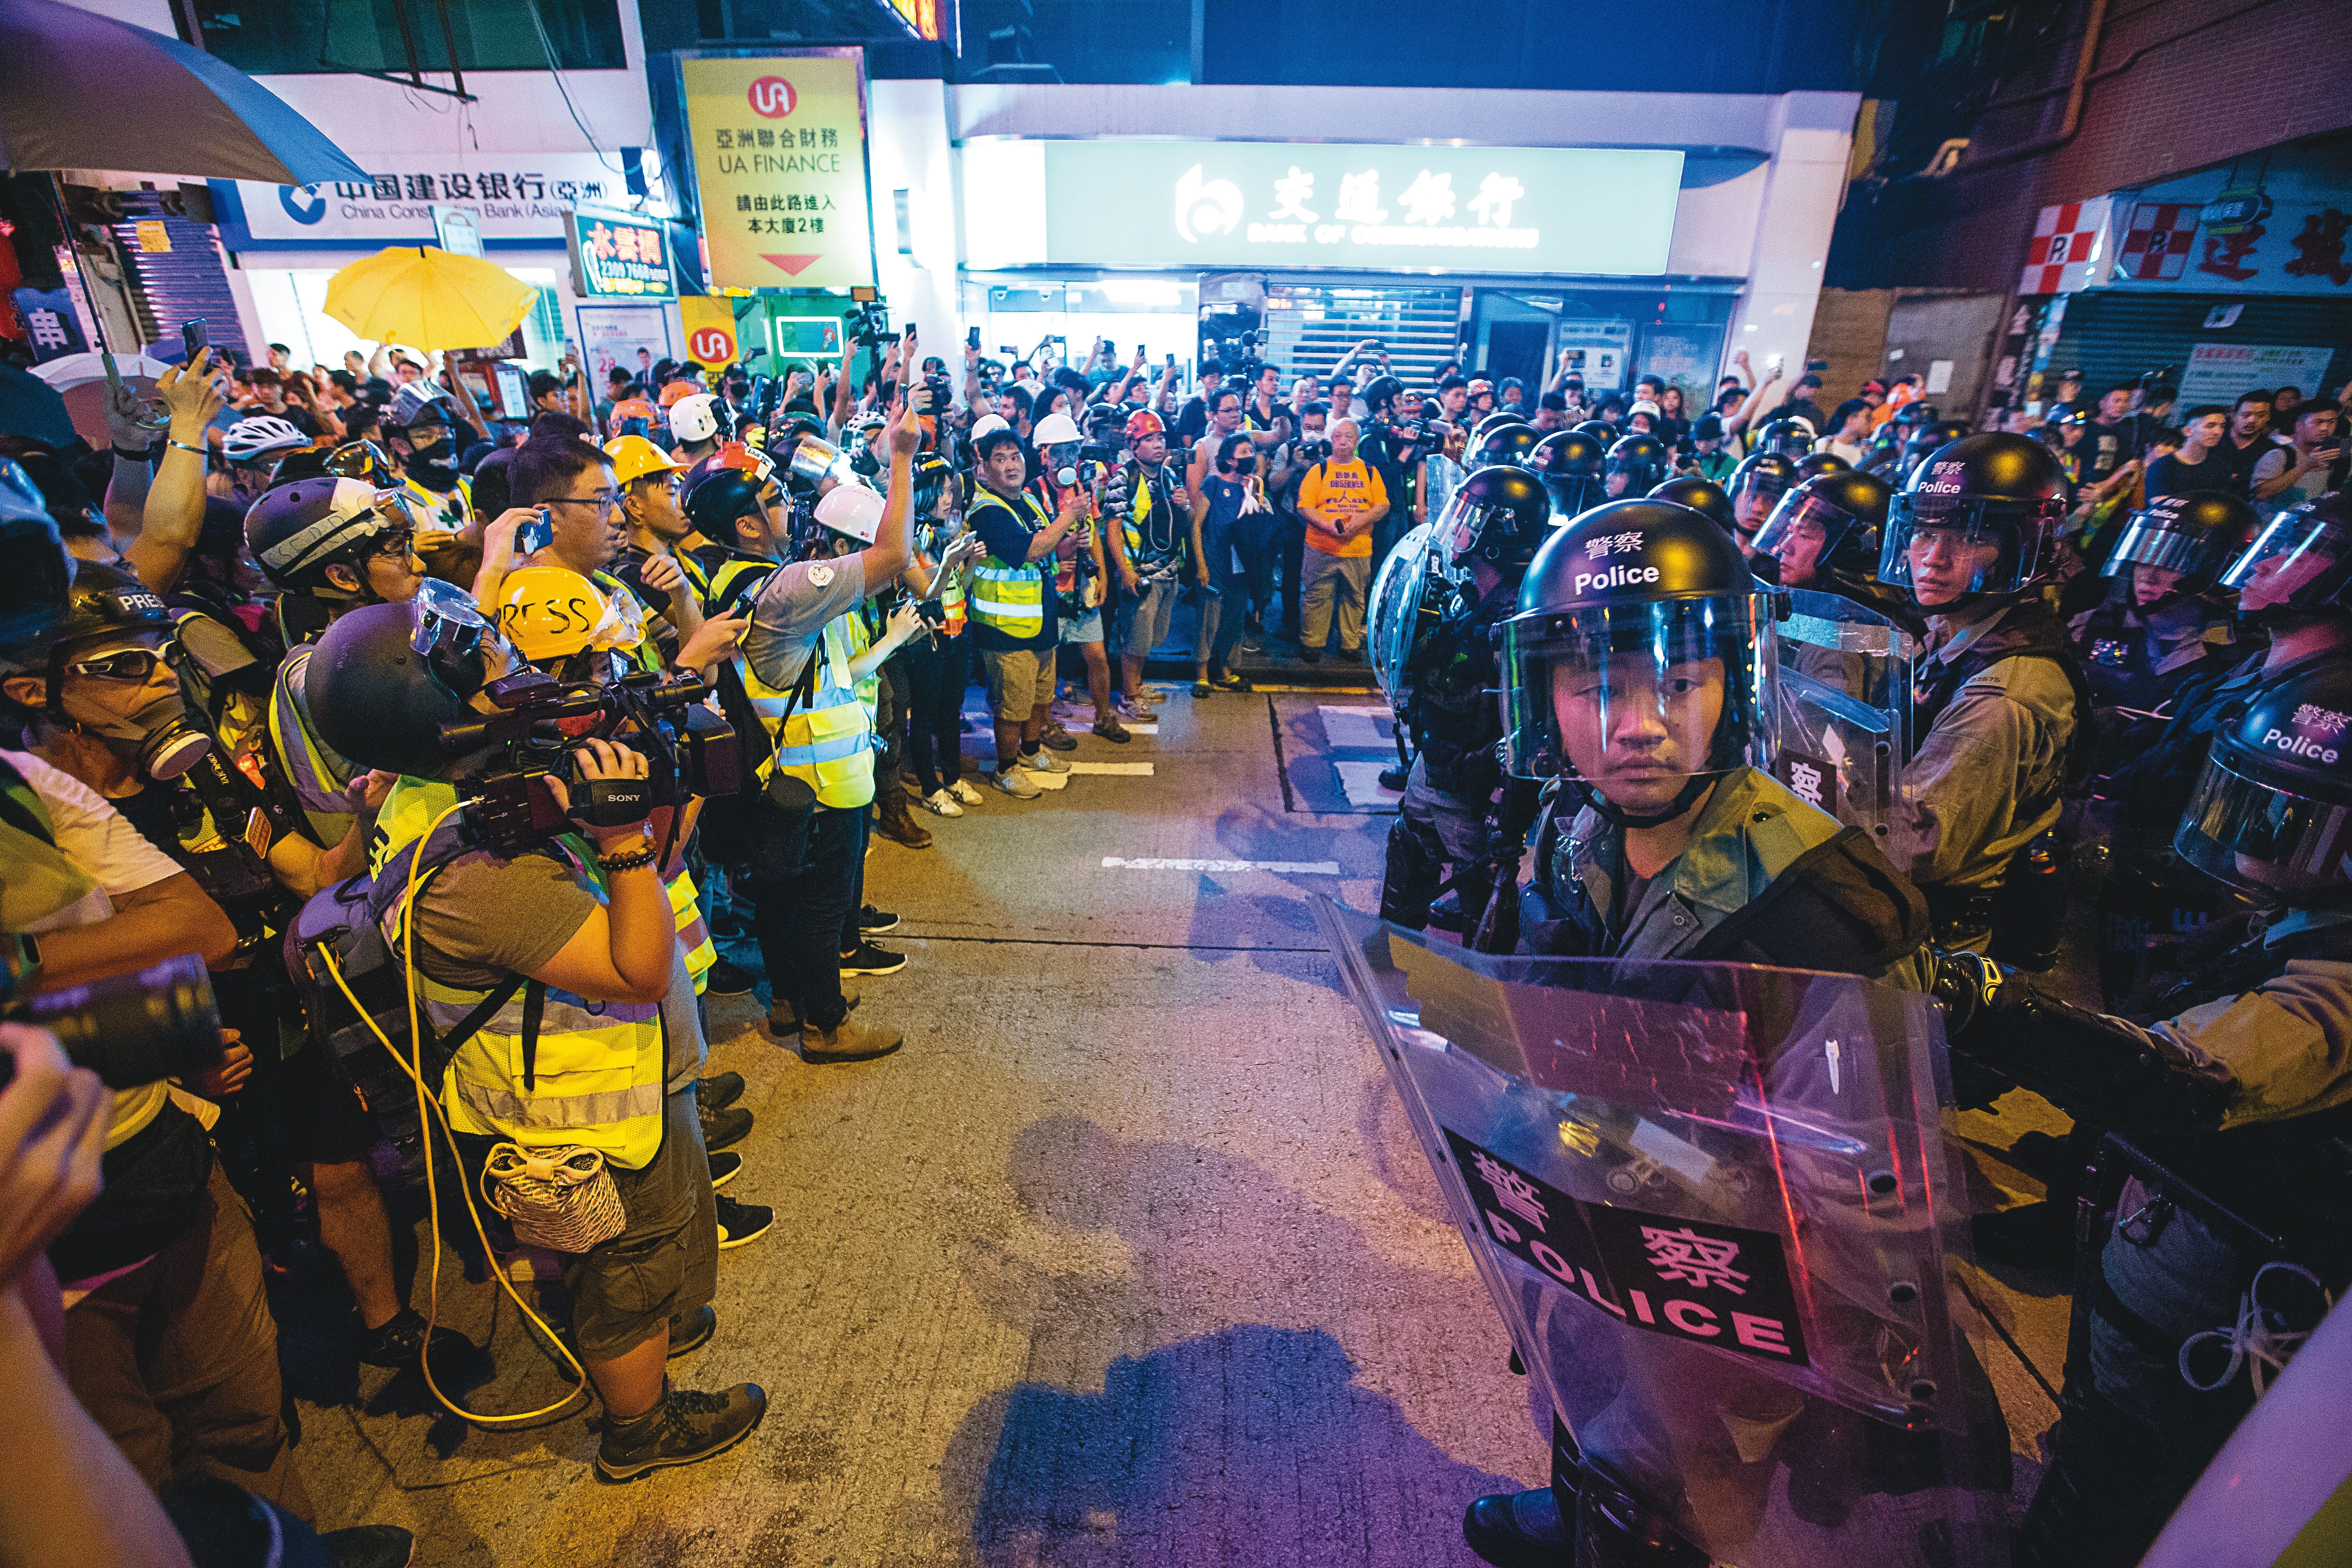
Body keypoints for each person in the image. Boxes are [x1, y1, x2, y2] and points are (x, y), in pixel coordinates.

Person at [1465, 497, 1930, 1565]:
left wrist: (1835, 1368)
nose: (1636, 724)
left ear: (1736, 687)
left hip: (1725, 1279)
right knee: (1590, 1416)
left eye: (1677, 682)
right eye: (1595, 685)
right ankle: (1580, 1507)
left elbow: (1871, 1178)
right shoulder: (1572, 827)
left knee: (1676, 1491)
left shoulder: (1819, 902)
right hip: (1594, 1215)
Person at [303, 589, 765, 1482]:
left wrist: (648, 788)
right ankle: (640, 1428)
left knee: (641, 1258)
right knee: (624, 1271)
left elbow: (659, 872)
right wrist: (624, 836)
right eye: (494, 677)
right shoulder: (479, 874)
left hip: (606, 1094)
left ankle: (647, 1332)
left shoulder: (448, 793)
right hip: (586, 1119)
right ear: (431, 711)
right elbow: (638, 964)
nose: (519, 681)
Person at [1942, 663, 2352, 1567]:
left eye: (2303, 820)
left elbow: (2184, 1077)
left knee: (2123, 1465)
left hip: (2209, 1297)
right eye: (2255, 799)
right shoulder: (2299, 923)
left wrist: (1985, 1006)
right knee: (2097, 1431)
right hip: (2165, 1244)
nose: (2261, 832)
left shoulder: (2338, 988)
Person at [1881, 432, 2089, 956]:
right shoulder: (1958, 631)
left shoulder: (2005, 694)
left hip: (1938, 940)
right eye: (1925, 534)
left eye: (1971, 539)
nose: (1933, 559)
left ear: (2024, 549)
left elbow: (1914, 843)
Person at [1380, 466, 1549, 939]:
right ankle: (1392, 954)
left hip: (1472, 781)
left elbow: (1526, 720)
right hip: (1439, 757)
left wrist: (1502, 797)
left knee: (1481, 881)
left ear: (1496, 536)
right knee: (1411, 844)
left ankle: (1483, 989)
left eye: (1470, 518)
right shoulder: (1472, 595)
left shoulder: (1515, 618)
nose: (1458, 528)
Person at [967, 421, 1081, 797]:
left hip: (1041, 621)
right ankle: (1006, 768)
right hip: (1004, 626)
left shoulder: (1028, 500)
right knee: (1012, 704)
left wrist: (1068, 541)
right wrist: (1068, 516)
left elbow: (1047, 549)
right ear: (983, 467)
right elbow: (1030, 550)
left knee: (1040, 697)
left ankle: (1031, 753)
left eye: (1015, 456)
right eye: (999, 458)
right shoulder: (987, 511)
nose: (1011, 464)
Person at [1111, 408, 1189, 716]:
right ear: (1133, 445)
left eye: (1161, 438)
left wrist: (1185, 505)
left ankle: (1138, 684)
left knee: (1152, 637)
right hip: (1141, 575)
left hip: (1168, 571)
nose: (1158, 444)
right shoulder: (1123, 479)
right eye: (1149, 438)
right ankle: (1129, 696)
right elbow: (1113, 532)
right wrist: (1126, 571)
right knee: (1135, 638)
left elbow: (1179, 520)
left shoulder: (1169, 476)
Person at [1294, 418, 1388, 664]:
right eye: (1338, 437)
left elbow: (1382, 505)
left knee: (1355, 596)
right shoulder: (1319, 471)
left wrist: (1358, 523)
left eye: (1349, 437)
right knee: (1317, 595)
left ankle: (1350, 644)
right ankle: (1312, 643)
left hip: (1358, 547)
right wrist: (1328, 526)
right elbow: (1305, 506)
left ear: (1357, 442)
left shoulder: (1369, 471)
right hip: (1321, 544)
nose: (1343, 442)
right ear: (1331, 439)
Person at [1190, 430, 1260, 697]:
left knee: (1234, 620)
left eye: (1251, 452)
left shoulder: (1250, 486)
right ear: (1230, 460)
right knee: (1209, 621)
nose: (1250, 457)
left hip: (1240, 566)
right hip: (1215, 560)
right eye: (1244, 453)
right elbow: (1197, 526)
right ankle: (1202, 675)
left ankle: (1225, 670)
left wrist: (1254, 493)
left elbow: (1255, 527)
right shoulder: (1213, 484)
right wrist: (1201, 565)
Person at [2252, 398, 2343, 508]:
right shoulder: (2280, 455)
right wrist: (2306, 466)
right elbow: (2261, 494)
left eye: (2332, 422)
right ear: (2299, 426)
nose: (2325, 428)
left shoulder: (2327, 459)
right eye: (2318, 422)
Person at [2143, 405, 2232, 499]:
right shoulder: (2161, 467)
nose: (2218, 432)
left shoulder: (2221, 466)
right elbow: (2160, 506)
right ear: (2188, 431)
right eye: (2210, 426)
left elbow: (2221, 503)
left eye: (2222, 427)